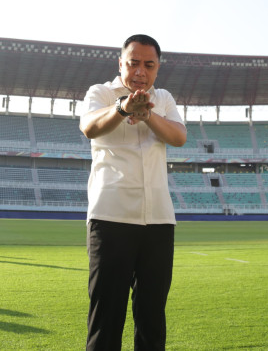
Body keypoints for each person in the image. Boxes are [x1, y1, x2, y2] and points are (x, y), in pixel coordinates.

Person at [80, 34, 187, 351]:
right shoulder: (100, 92)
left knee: (152, 317)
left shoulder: (163, 98)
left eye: (149, 65)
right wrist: (123, 108)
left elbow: (179, 136)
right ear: (121, 63)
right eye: (134, 63)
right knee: (106, 318)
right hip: (111, 216)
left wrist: (148, 115)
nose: (141, 71)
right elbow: (89, 127)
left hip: (158, 219)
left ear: (157, 67)